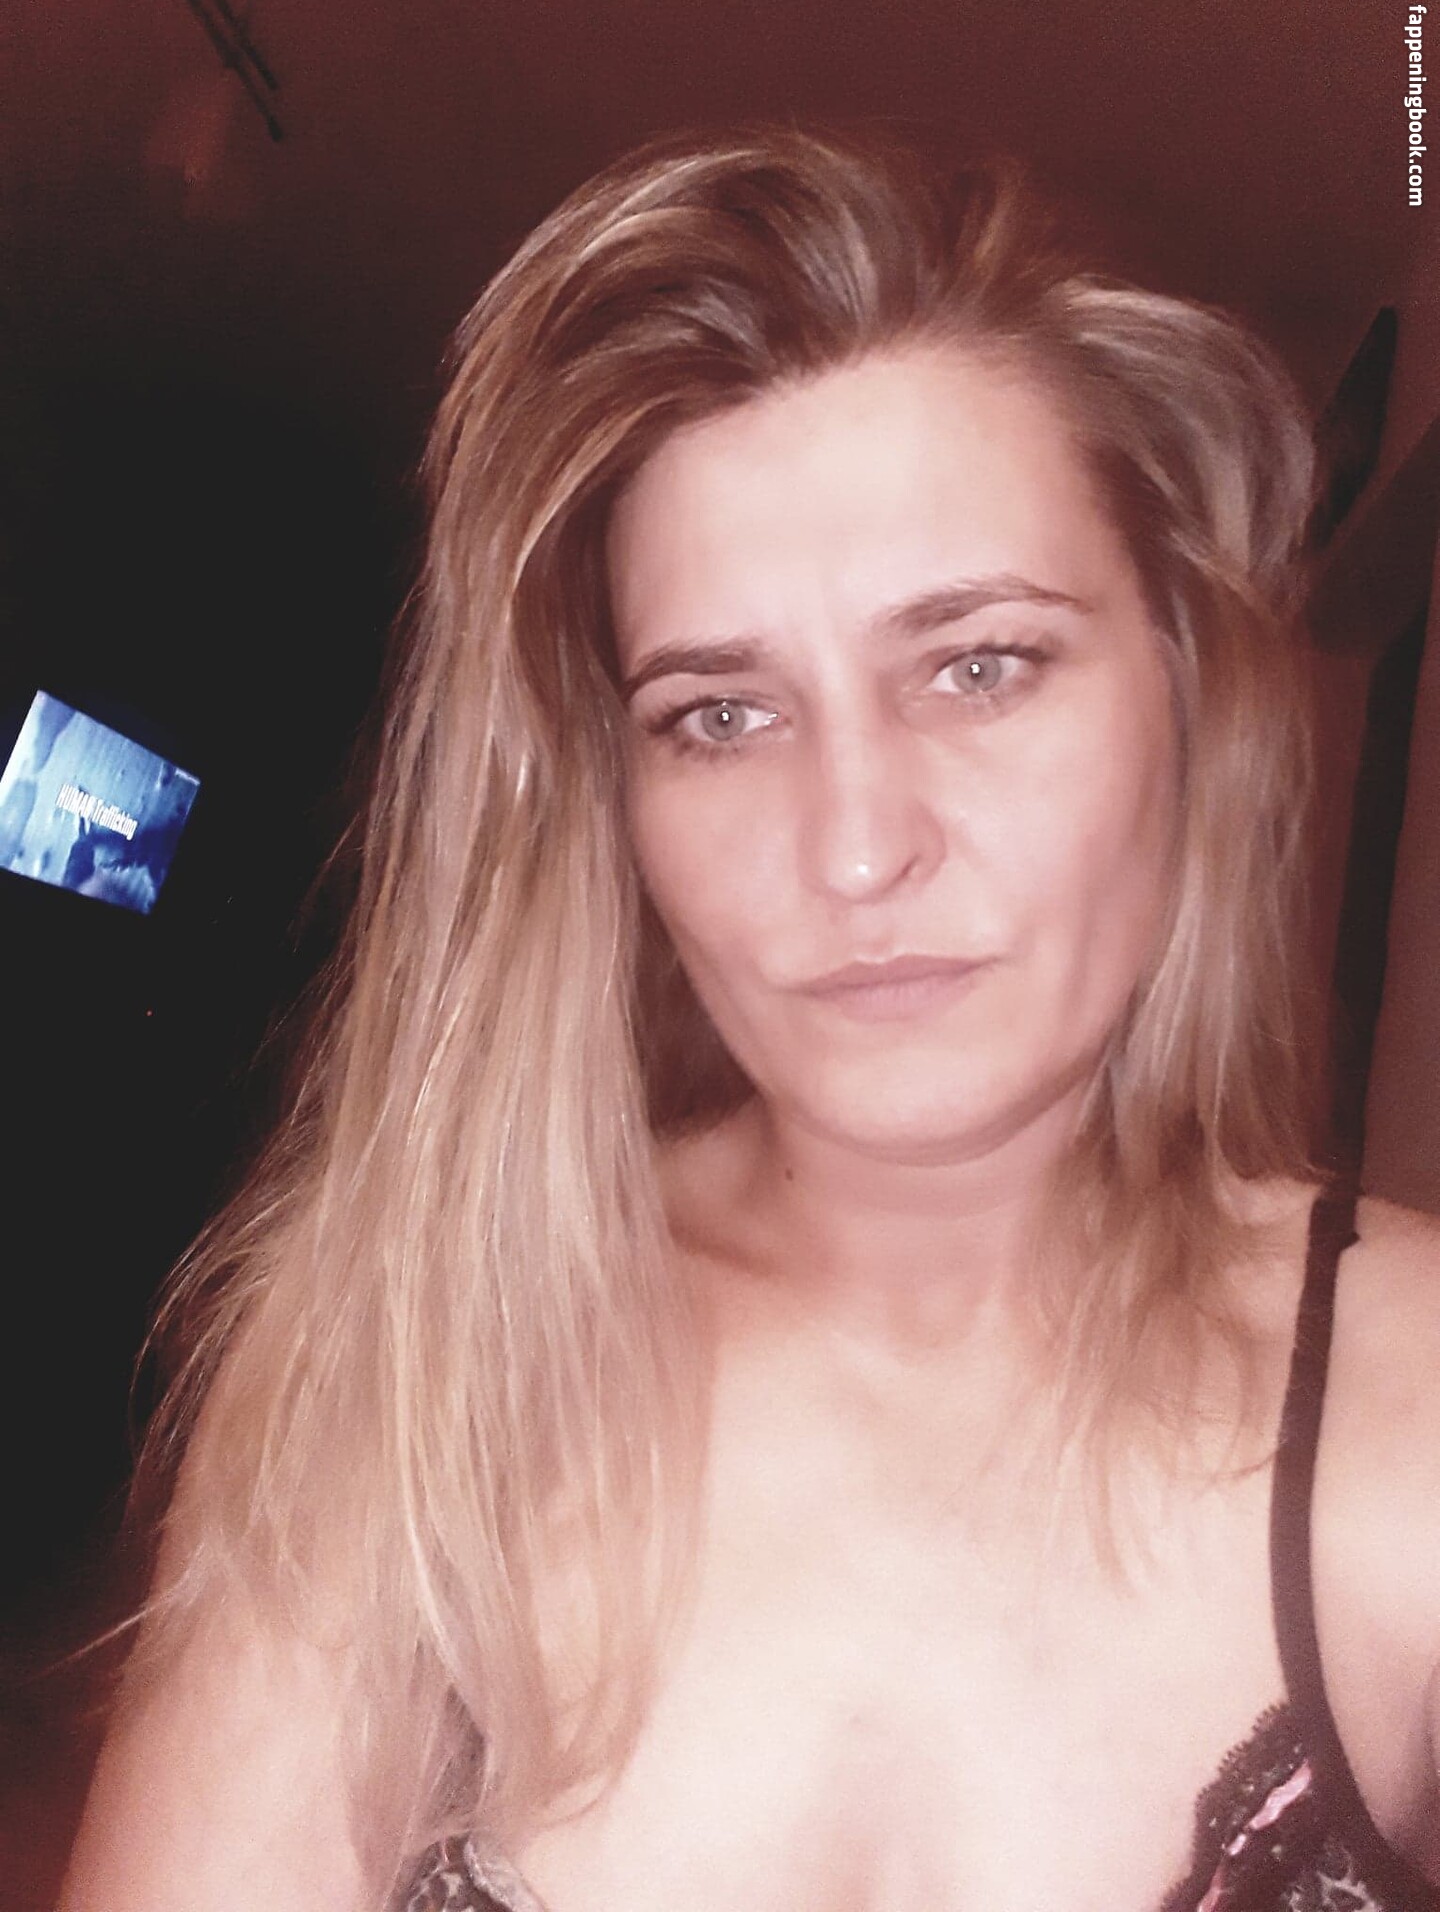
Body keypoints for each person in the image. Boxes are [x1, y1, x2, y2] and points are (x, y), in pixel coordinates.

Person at [60, 126, 1440, 1912]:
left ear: (1187, 695)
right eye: (720, 714)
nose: (855, 848)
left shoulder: (1412, 1396)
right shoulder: (413, 1363)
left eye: (979, 665)